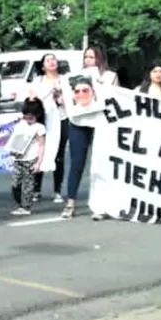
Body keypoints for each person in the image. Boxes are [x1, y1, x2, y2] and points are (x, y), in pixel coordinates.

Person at [62, 44, 118, 220]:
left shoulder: (110, 76)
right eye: (86, 57)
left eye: (92, 57)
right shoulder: (76, 77)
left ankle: (100, 205)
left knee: (101, 163)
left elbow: (116, 99)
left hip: (101, 123)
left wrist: (102, 88)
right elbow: (70, 100)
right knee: (77, 163)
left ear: (100, 59)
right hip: (79, 122)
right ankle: (70, 203)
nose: (88, 60)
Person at [29, 53, 68, 204]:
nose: (52, 62)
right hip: (43, 121)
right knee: (40, 153)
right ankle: (36, 189)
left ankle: (57, 190)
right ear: (43, 65)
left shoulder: (64, 81)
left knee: (59, 155)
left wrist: (59, 97)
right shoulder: (38, 81)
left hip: (62, 119)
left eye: (54, 59)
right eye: (48, 60)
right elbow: (32, 102)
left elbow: (70, 102)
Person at [8, 98, 46, 217]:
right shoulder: (20, 124)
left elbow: (41, 145)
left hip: (31, 159)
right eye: (26, 117)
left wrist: (39, 162)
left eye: (31, 118)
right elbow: (14, 140)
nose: (28, 120)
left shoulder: (39, 127)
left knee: (28, 184)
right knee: (15, 183)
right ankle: (20, 203)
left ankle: (25, 206)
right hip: (18, 159)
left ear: (37, 115)